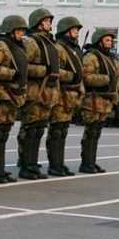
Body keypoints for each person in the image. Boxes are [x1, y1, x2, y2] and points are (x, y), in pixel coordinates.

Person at [19, 9, 60, 180]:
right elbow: (23, 66)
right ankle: (26, 165)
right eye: (47, 20)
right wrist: (43, 70)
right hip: (35, 91)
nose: (50, 23)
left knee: (38, 130)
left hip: (47, 92)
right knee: (30, 129)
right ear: (39, 22)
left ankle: (33, 163)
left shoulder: (50, 43)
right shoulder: (32, 42)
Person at [0, 15, 29, 183]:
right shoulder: (1, 46)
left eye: (22, 31)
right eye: (18, 31)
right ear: (10, 31)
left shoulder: (19, 47)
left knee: (4, 133)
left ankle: (0, 168)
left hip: (13, 96)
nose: (21, 34)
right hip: (3, 94)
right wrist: (11, 73)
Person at [48, 16, 85, 177]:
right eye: (74, 30)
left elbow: (80, 72)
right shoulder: (59, 48)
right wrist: (70, 76)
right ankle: (54, 165)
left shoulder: (74, 49)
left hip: (71, 95)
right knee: (56, 131)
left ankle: (60, 163)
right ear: (66, 31)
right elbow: (55, 70)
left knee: (63, 130)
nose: (77, 33)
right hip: (61, 93)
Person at [80, 30, 118, 174]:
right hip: (93, 100)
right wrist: (105, 79)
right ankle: (86, 163)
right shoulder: (91, 56)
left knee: (96, 132)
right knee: (90, 132)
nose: (110, 43)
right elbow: (86, 77)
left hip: (105, 99)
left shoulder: (109, 57)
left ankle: (92, 161)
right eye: (107, 40)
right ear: (99, 41)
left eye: (111, 40)